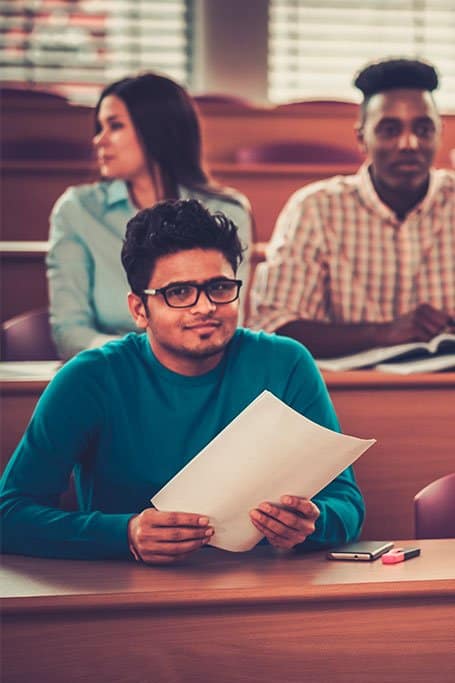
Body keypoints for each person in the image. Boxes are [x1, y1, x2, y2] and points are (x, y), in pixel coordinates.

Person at [1, 199, 364, 564]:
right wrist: (124, 534)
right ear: (140, 309)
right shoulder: (89, 378)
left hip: (261, 586)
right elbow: (9, 512)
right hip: (127, 591)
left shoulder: (285, 362)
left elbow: (346, 503)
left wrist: (312, 523)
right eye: (179, 293)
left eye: (220, 287)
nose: (205, 306)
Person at [248, 59, 455, 358]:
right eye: (389, 130)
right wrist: (384, 332)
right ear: (362, 138)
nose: (409, 143)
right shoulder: (315, 208)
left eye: (423, 129)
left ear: (440, 133)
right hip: (346, 396)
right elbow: (272, 325)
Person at [47, 72, 252, 360]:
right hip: (112, 373)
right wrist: (145, 361)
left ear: (156, 132)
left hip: (202, 369)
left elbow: (229, 319)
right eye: (99, 128)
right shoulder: (77, 210)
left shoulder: (227, 211)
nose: (99, 140)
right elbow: (70, 332)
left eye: (115, 126)